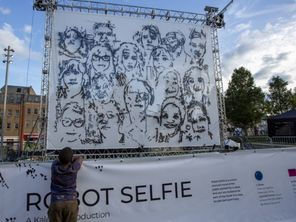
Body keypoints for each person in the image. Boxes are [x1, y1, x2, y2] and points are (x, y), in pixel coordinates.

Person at [48, 147, 83, 222]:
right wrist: (72, 158)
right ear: (70, 160)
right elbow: (80, 158)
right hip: (71, 201)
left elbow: (57, 160)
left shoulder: (54, 166)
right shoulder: (74, 167)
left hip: (56, 202)